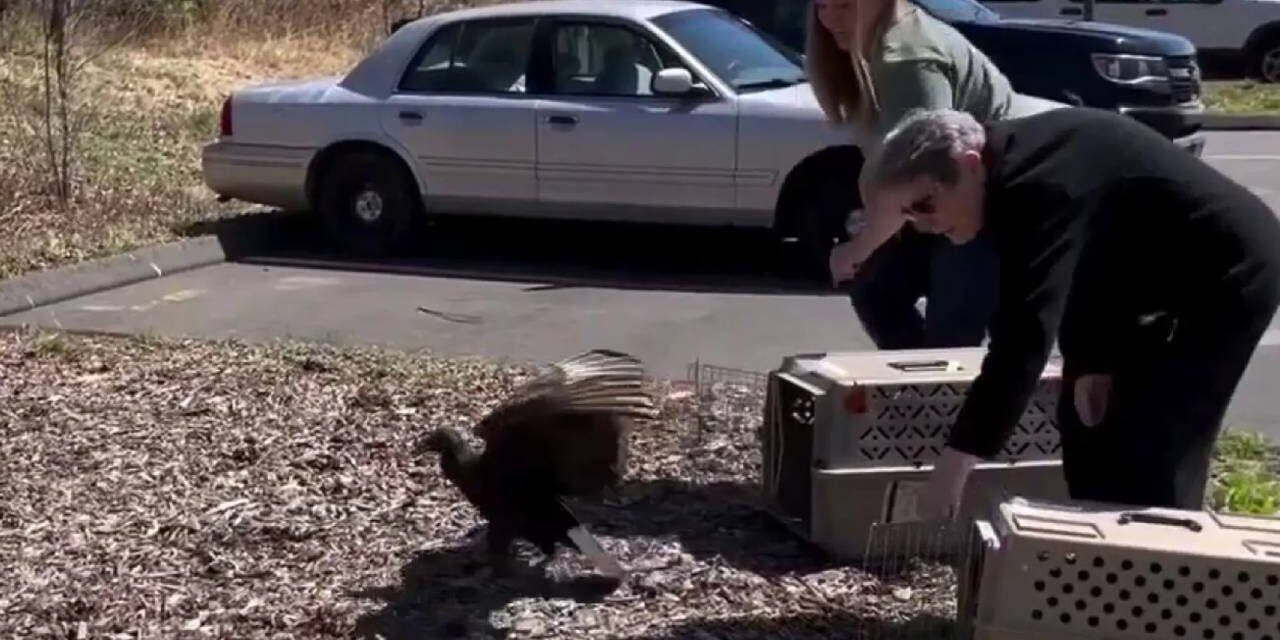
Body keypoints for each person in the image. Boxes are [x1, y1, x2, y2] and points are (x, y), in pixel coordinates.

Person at [856, 106, 1280, 515]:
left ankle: (1168, 560)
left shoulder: (1036, 185)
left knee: (1160, 436)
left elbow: (1022, 339)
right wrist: (1093, 361)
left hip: (1228, 270)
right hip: (1138, 277)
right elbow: (1083, 266)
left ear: (968, 164)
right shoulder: (1002, 176)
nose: (922, 225)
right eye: (907, 214)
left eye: (925, 205)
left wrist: (954, 465)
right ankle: (1099, 554)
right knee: (1085, 425)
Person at [805, 0, 1062, 349]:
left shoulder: (907, 60)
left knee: (951, 338)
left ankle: (943, 391)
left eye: (845, 6)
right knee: (874, 286)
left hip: (987, 205)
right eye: (822, 5)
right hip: (945, 198)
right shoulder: (881, 42)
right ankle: (917, 386)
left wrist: (857, 248)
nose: (830, 19)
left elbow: (920, 175)